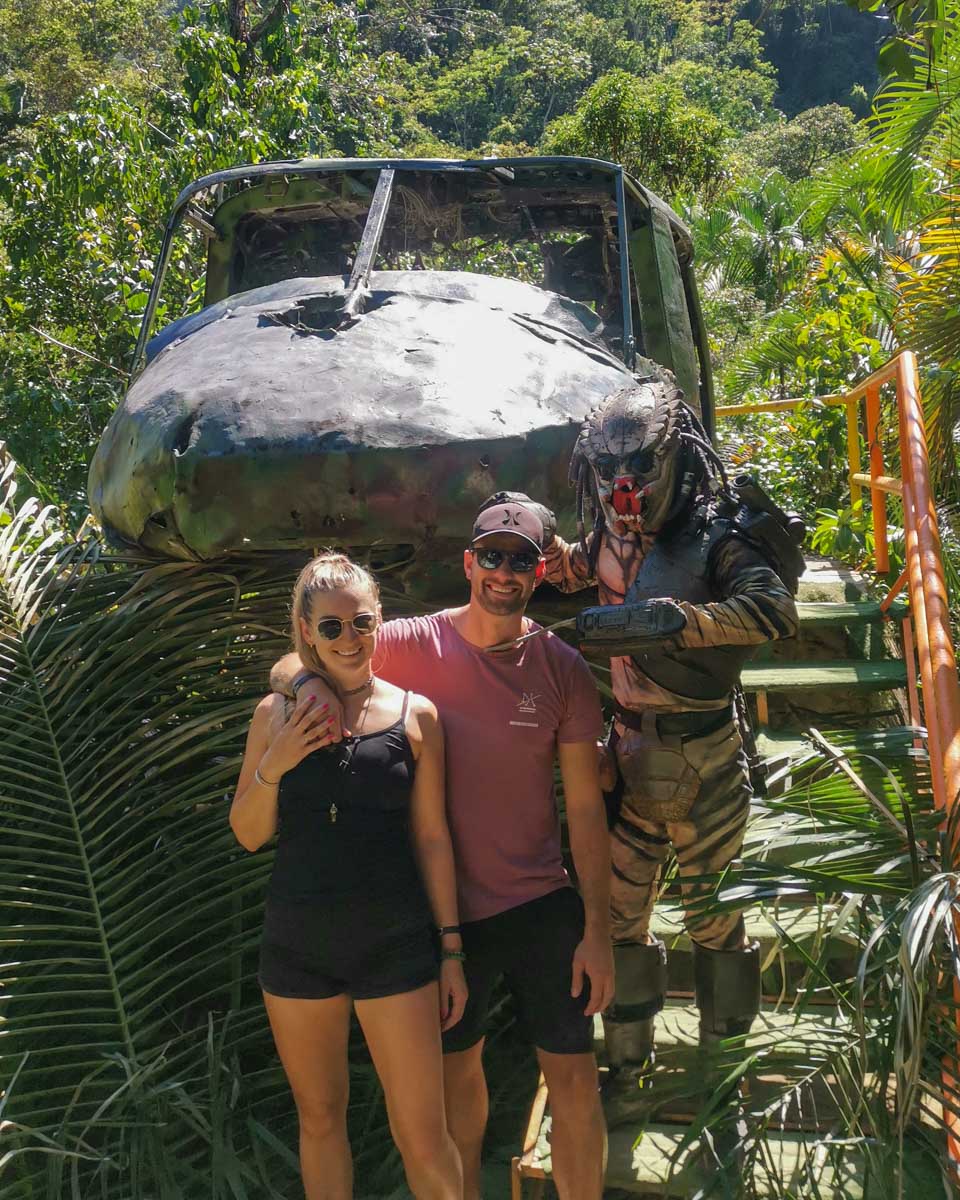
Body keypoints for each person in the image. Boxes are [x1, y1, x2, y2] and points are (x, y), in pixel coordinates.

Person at [271, 501, 615, 1200]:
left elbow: (584, 807)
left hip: (540, 903)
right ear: (469, 562)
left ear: (541, 571)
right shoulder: (402, 642)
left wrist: (600, 933)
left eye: (522, 559)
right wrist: (309, 686)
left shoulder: (563, 670)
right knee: (458, 1088)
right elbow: (296, 657)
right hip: (441, 916)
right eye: (492, 554)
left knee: (576, 1080)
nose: (504, 571)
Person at [540, 366, 800, 1130]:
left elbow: (773, 611)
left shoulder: (719, 536)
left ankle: (728, 1066)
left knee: (712, 915)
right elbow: (573, 571)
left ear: (675, 454)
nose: (625, 485)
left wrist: (678, 622)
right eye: (609, 469)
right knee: (620, 916)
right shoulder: (606, 539)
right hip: (625, 755)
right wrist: (540, 549)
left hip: (705, 755)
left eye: (639, 467)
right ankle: (626, 1063)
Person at [230, 552, 467, 1200]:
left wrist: (450, 951)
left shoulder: (416, 717)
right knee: (320, 1121)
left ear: (380, 622)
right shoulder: (274, 715)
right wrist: (274, 764)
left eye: (362, 622)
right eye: (331, 627)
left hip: (396, 946)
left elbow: (433, 838)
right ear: (306, 631)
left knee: (422, 1134)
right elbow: (249, 834)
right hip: (297, 948)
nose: (349, 638)